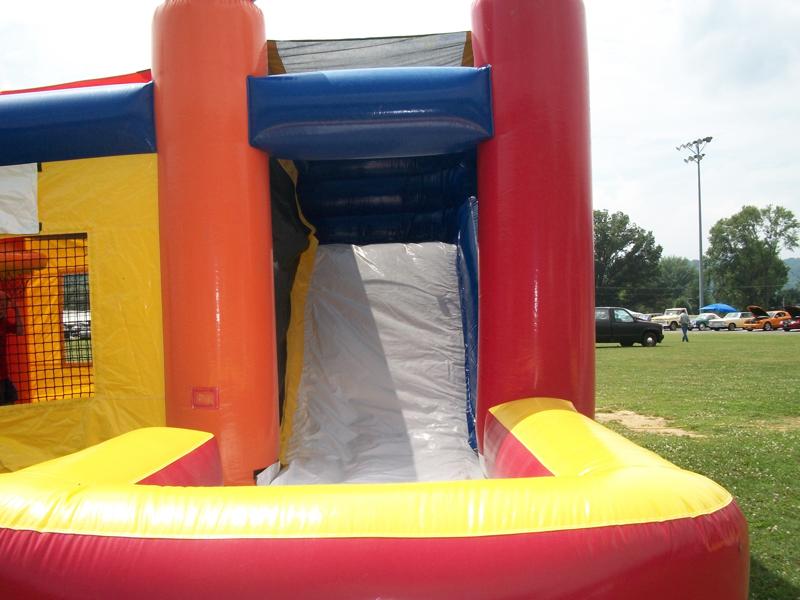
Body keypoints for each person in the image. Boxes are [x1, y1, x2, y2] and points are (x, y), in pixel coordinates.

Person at [0, 291, 24, 406]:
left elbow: (20, 331)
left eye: (4, 305)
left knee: (11, 399)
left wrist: (17, 310)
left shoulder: (3, 322)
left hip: (3, 374)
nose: (2, 308)